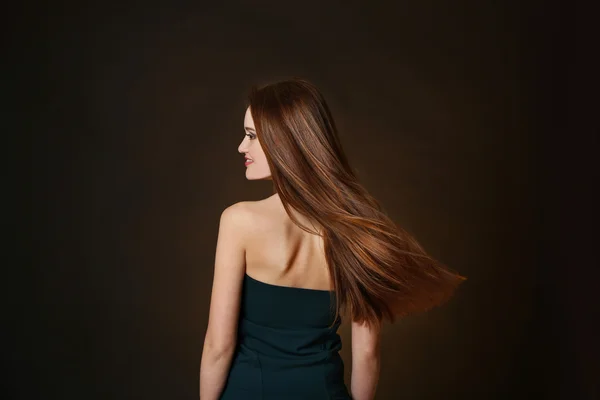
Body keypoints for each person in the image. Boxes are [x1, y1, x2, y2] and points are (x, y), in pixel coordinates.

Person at [199, 78, 466, 400]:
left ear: (283, 140)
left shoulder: (239, 220)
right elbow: (367, 354)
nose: (242, 146)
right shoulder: (358, 230)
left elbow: (218, 345)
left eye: (252, 136)